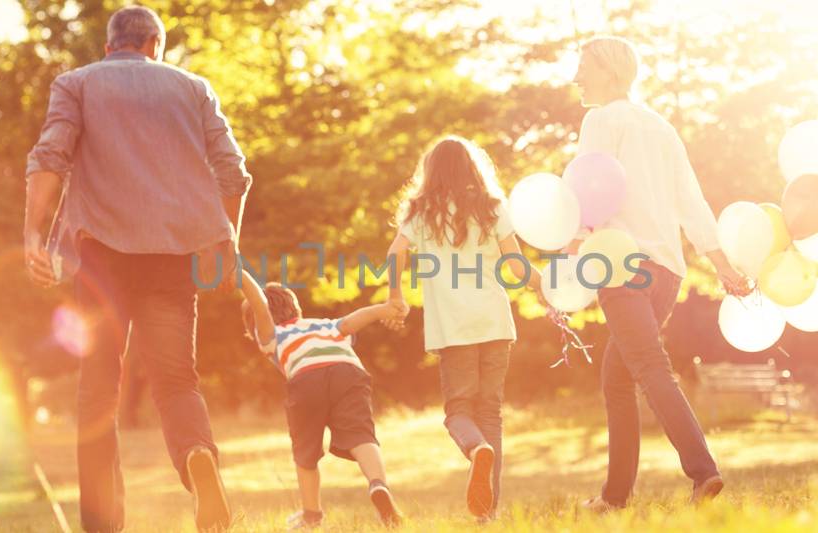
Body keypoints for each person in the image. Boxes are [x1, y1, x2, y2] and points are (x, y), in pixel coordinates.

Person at [21, 5, 251, 532]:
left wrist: (34, 235)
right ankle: (197, 457)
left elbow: (51, 155)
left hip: (101, 257)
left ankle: (102, 525)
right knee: (176, 381)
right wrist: (226, 241)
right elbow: (234, 172)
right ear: (155, 46)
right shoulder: (193, 88)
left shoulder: (76, 83)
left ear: (110, 47)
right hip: (172, 257)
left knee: (98, 385)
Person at [568, 36, 753, 512]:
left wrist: (575, 241)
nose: (575, 77)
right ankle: (614, 497)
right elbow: (691, 199)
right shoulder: (660, 127)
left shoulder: (600, 119)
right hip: (666, 272)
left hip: (621, 263)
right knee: (618, 378)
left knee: (650, 367)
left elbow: (590, 181)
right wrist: (722, 264)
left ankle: (703, 471)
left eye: (583, 67)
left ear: (609, 71)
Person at [385, 136, 542, 521]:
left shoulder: (420, 211)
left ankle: (475, 450)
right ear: (474, 168)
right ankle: (488, 513)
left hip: (453, 329)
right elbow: (517, 266)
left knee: (459, 410)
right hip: (493, 322)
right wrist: (546, 290)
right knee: (490, 413)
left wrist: (395, 297)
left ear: (431, 170)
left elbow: (395, 252)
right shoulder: (492, 207)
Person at [237, 271, 405, 529]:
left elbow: (258, 304)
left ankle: (311, 515)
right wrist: (385, 309)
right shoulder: (323, 324)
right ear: (296, 308)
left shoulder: (271, 335)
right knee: (361, 436)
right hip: (348, 371)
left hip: (306, 379)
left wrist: (239, 273)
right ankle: (378, 485)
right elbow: (351, 322)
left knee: (306, 452)